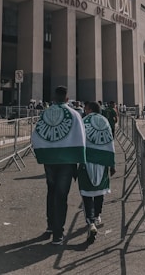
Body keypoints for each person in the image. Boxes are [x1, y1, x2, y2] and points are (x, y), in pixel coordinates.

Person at [31, 85, 86, 245]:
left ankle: (50, 225)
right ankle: (58, 233)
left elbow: (37, 135)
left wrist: (41, 154)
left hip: (49, 160)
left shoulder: (45, 113)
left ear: (54, 98)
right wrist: (80, 160)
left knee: (51, 191)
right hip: (67, 161)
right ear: (67, 99)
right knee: (61, 195)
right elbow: (80, 136)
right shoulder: (74, 114)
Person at [78, 101, 116, 243]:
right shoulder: (104, 121)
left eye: (86, 109)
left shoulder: (84, 121)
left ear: (89, 109)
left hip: (87, 160)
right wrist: (112, 163)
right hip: (102, 161)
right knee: (100, 191)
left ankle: (91, 221)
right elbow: (110, 142)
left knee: (87, 193)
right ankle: (98, 214)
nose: (84, 110)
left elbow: (79, 140)